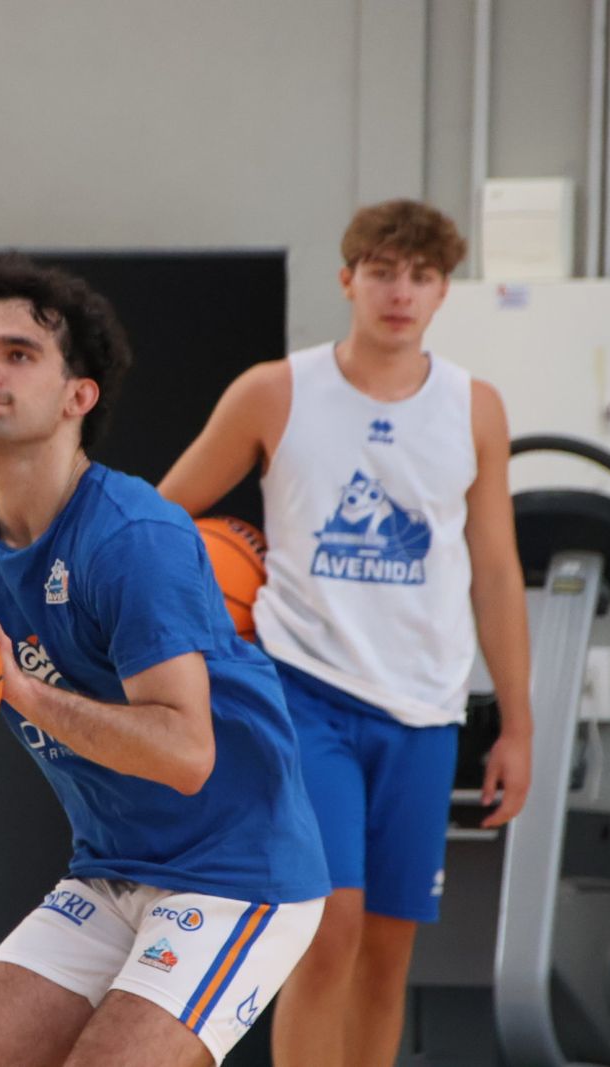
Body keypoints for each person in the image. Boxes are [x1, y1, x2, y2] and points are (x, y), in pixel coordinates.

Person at [0, 252, 330, 1067]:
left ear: (77, 396)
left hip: (238, 875)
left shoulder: (134, 536)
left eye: (18, 354)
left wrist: (18, 689)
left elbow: (186, 753)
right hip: (111, 871)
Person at [157, 199, 534, 1067]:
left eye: (421, 276)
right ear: (347, 279)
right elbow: (159, 517)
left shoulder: (475, 408)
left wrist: (517, 723)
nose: (401, 291)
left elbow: (498, 569)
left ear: (444, 291)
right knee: (329, 927)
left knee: (389, 946)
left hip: (425, 706)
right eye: (383, 271)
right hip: (304, 691)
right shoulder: (275, 391)